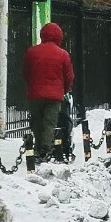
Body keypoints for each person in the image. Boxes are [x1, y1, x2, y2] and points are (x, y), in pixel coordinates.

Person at [23, 22, 75, 161]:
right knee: (49, 122)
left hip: (35, 94)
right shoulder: (63, 54)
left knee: (37, 121)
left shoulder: (32, 52)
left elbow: (26, 72)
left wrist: (32, 85)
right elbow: (69, 76)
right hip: (55, 96)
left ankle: (38, 147)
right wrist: (65, 90)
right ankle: (45, 149)